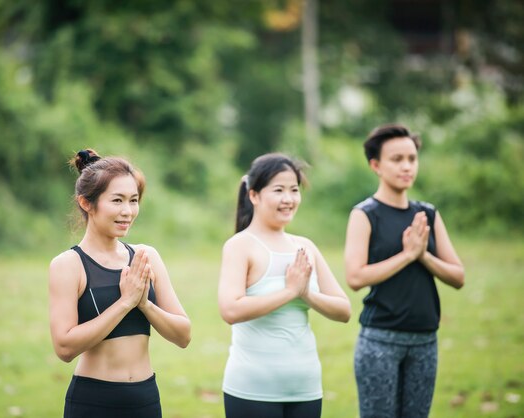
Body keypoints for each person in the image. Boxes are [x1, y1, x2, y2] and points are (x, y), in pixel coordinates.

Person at [49, 149, 191, 418]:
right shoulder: (68, 265)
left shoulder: (145, 257)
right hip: (93, 401)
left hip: (146, 400)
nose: (128, 211)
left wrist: (144, 304)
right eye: (117, 200)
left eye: (133, 200)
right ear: (86, 203)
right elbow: (64, 347)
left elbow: (183, 335)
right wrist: (125, 303)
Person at [344, 124, 465, 418]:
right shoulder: (364, 215)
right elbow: (355, 277)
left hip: (425, 341)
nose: (407, 166)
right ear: (376, 165)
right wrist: (408, 255)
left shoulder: (428, 214)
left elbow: (458, 276)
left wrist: (423, 257)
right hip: (380, 342)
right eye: (397, 159)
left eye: (412, 159)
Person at [218, 153, 352, 418]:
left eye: (294, 190)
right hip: (252, 389)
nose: (289, 199)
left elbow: (344, 310)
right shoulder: (241, 246)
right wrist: (289, 292)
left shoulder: (306, 246)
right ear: (254, 195)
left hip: (306, 388)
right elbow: (230, 310)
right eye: (279, 190)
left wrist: (306, 294)